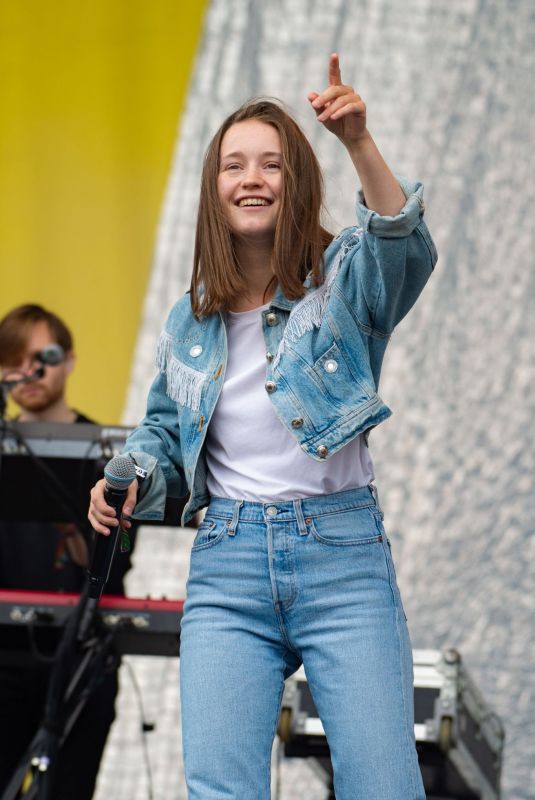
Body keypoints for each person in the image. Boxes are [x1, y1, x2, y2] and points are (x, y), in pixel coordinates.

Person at [89, 54, 437, 799]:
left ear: (296, 181)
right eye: (232, 165)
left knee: (384, 787)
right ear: (213, 191)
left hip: (339, 556)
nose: (251, 178)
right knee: (220, 789)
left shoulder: (340, 283)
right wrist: (131, 474)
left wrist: (357, 140)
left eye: (271, 164)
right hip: (228, 562)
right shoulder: (192, 318)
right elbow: (161, 432)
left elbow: (398, 250)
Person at [0, 304, 131, 799]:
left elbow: (117, 564)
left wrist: (75, 532)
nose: (26, 372)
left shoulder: (113, 457)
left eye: (41, 357)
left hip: (79, 664)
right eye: (11, 360)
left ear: (70, 361)